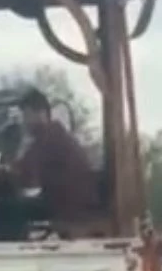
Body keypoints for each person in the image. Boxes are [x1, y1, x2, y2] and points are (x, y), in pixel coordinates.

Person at [14, 88, 103, 234]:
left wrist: (9, 166)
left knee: (6, 208)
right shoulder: (54, 134)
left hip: (71, 207)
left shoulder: (49, 138)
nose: (24, 121)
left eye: (27, 115)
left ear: (42, 113)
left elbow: (25, 175)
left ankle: (10, 252)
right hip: (71, 201)